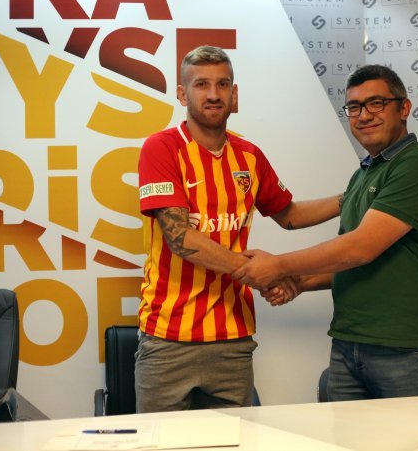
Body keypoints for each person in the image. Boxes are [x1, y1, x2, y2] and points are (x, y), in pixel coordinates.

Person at [136, 45, 341, 412]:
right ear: (182, 94)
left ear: (234, 94)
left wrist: (349, 198)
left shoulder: (249, 155)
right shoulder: (161, 148)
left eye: (222, 84)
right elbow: (181, 238)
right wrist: (261, 274)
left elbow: (289, 215)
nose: (213, 94)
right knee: (160, 439)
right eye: (201, 84)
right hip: (168, 338)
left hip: (233, 337)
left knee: (235, 438)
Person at [233, 64, 418, 400]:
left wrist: (277, 266)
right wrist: (300, 283)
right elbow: (352, 262)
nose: (364, 115)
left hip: (406, 350)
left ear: (404, 108)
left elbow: (359, 249)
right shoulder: (363, 175)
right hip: (348, 345)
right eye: (354, 107)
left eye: (376, 103)